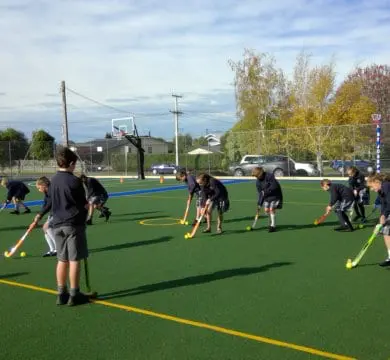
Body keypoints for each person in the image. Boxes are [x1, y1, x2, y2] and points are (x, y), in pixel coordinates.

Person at [33, 147, 90, 306]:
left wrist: (39, 215)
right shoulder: (74, 181)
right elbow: (82, 204)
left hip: (56, 225)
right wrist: (86, 212)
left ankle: (61, 293)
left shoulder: (52, 181)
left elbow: (49, 202)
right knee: (74, 260)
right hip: (73, 225)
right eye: (74, 164)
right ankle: (74, 293)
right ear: (71, 163)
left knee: (62, 259)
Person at [366, 173, 390, 267]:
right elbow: (384, 205)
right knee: (386, 231)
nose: (371, 189)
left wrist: (384, 216)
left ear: (376, 182)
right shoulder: (381, 191)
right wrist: (381, 218)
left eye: (371, 186)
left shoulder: (387, 186)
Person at [251, 167, 283, 232]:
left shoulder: (269, 176)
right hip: (267, 197)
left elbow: (275, 186)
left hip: (275, 195)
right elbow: (260, 193)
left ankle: (273, 226)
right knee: (266, 210)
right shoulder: (258, 182)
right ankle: (271, 222)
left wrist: (266, 191)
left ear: (261, 174)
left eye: (257, 176)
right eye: (255, 176)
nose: (256, 177)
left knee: (272, 209)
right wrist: (259, 203)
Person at [36, 176, 57, 257]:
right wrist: (39, 216)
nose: (39, 190)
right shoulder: (47, 192)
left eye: (39, 188)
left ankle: (58, 249)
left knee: (47, 227)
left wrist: (40, 214)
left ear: (44, 185)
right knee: (45, 229)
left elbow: (49, 204)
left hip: (61, 212)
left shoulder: (52, 191)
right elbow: (45, 204)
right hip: (54, 212)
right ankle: (52, 250)